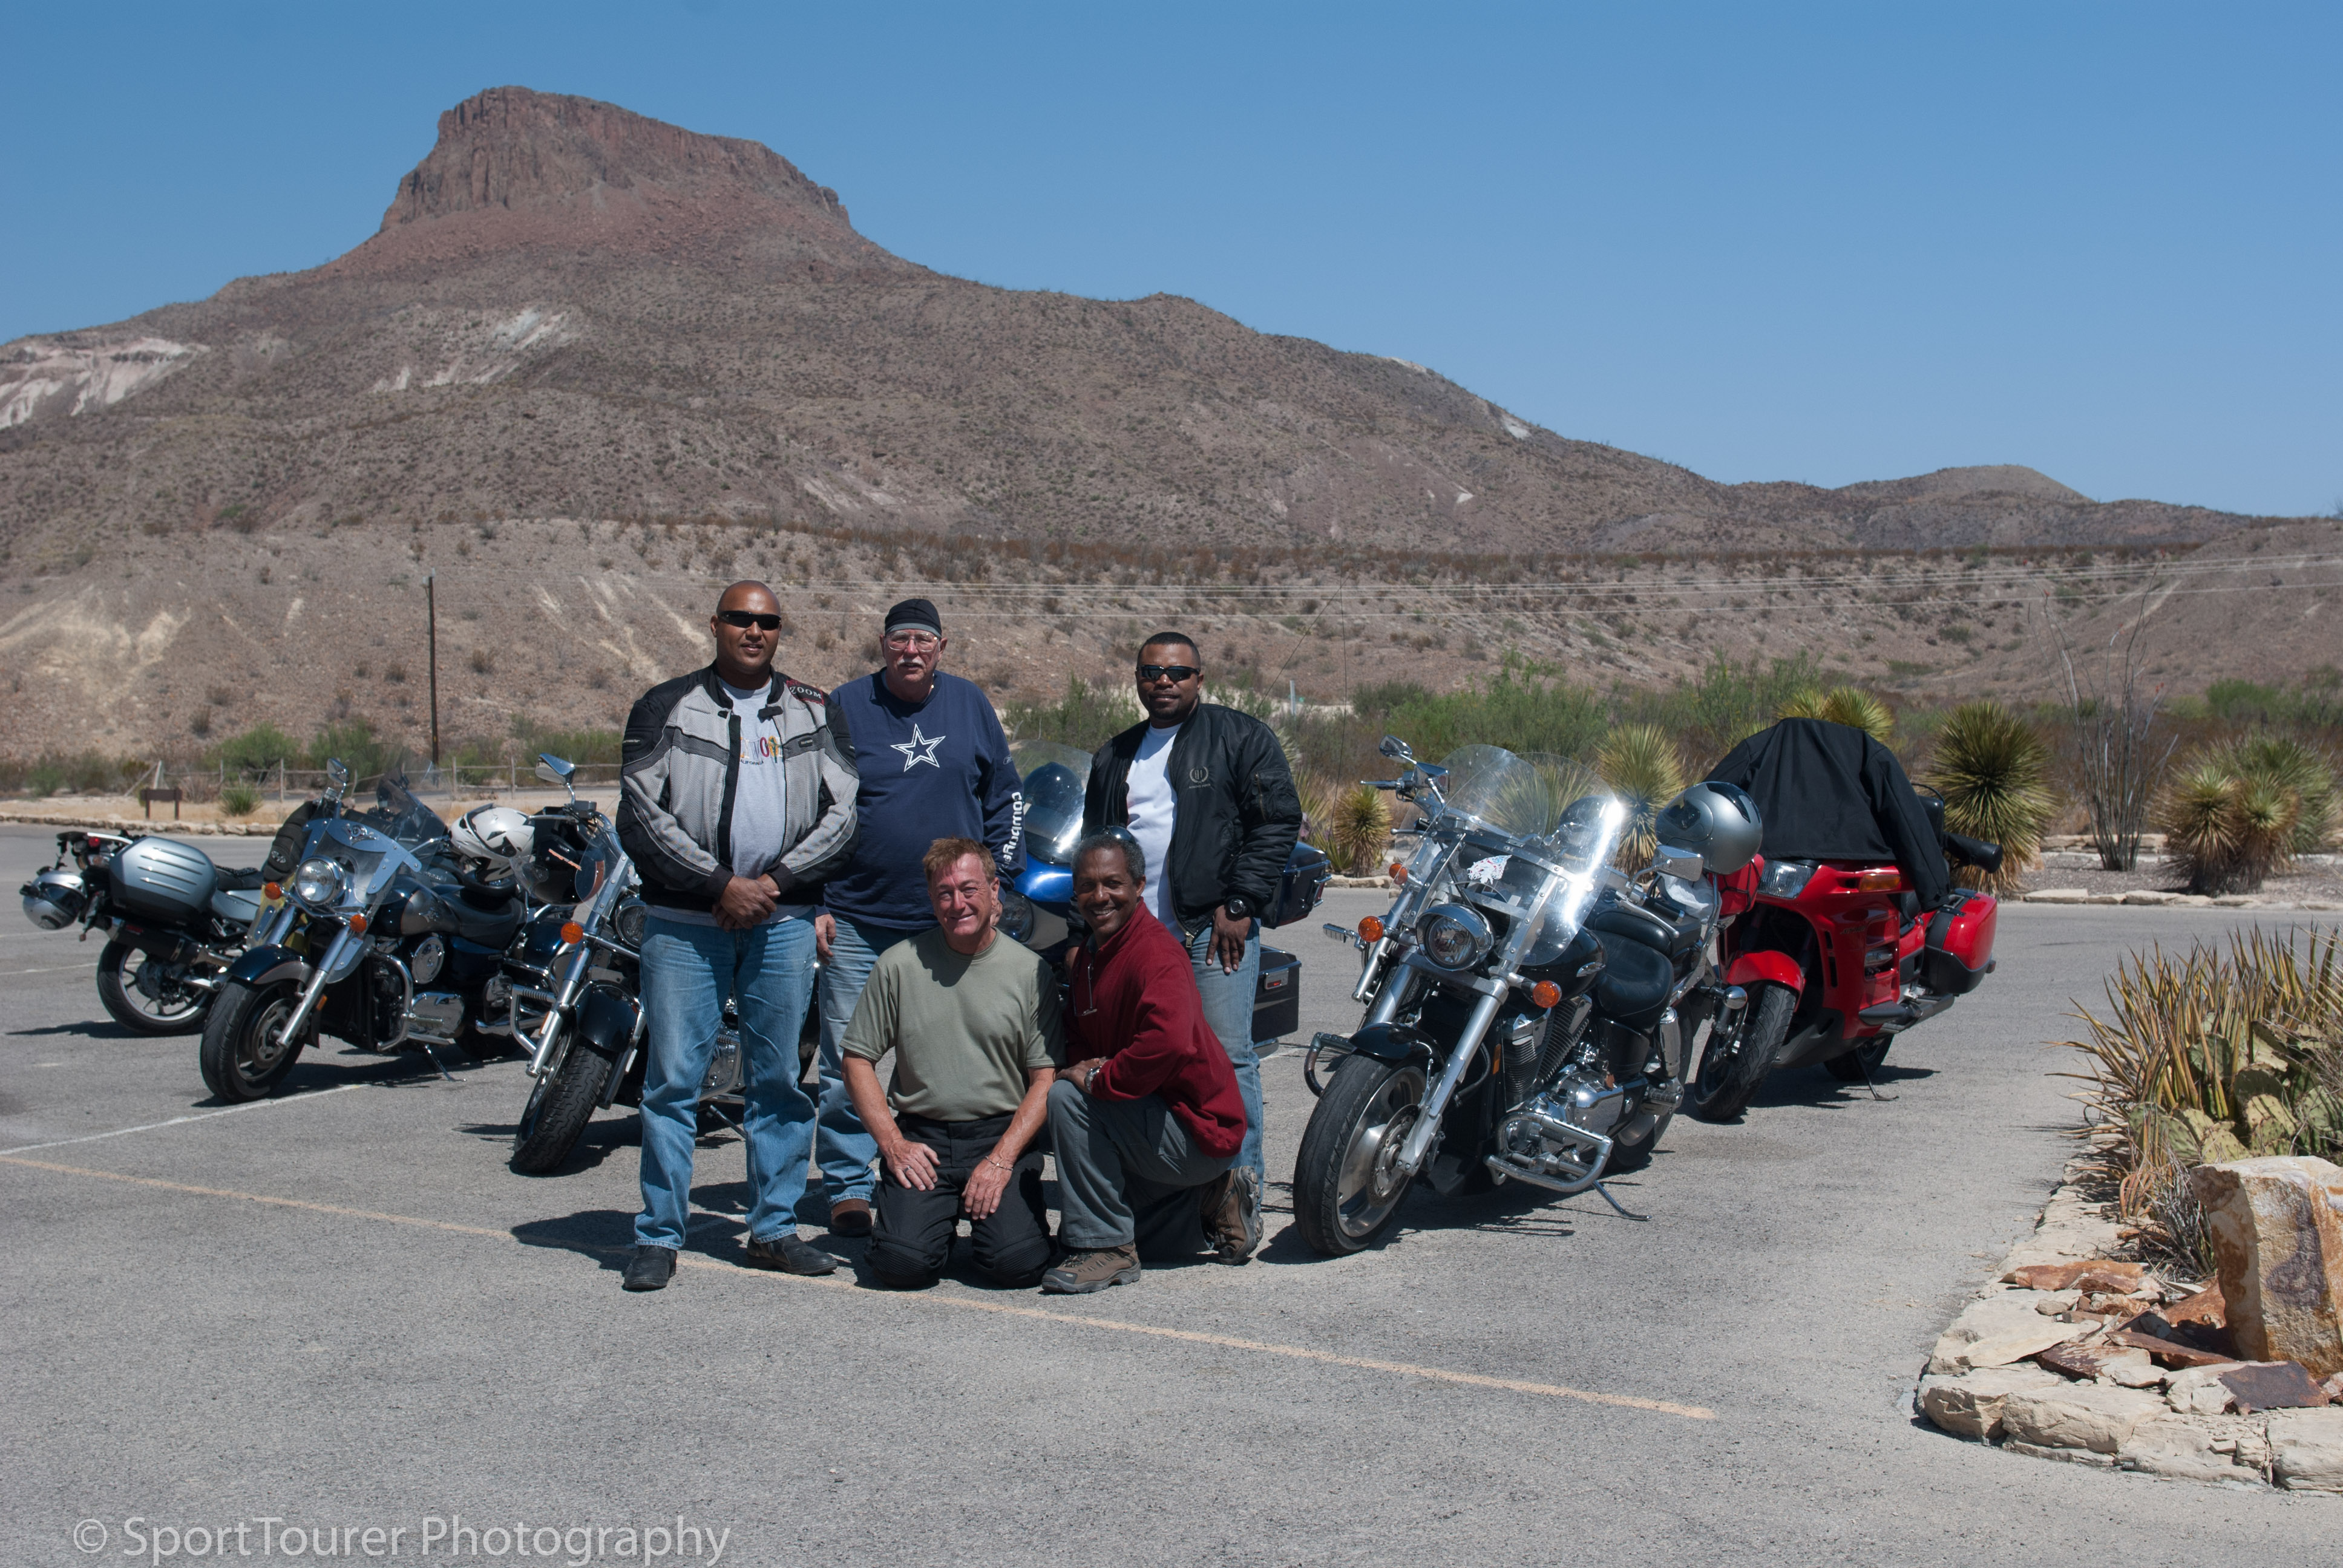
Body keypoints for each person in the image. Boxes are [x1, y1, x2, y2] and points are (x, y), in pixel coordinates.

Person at [614, 580, 858, 1292]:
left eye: (768, 622)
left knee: (778, 1081)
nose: (755, 631)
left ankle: (773, 1230)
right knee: (672, 1083)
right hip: (685, 926)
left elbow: (845, 813)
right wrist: (719, 886)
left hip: (781, 925)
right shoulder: (665, 706)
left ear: (779, 631)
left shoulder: (814, 708)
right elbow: (640, 815)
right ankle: (658, 1235)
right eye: (741, 619)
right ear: (715, 624)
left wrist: (770, 886)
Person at [1080, 632, 1299, 1257]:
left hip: (1211, 928)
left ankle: (1238, 1197)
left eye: (1177, 672)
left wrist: (1240, 903)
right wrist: (1085, 933)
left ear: (1200, 679)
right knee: (1144, 1055)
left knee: (1227, 1057)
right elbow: (1095, 844)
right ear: (1137, 679)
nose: (1164, 681)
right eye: (1152, 671)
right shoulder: (1116, 754)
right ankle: (1163, 1193)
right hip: (1135, 938)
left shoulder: (1240, 737)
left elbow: (1277, 822)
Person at [811, 598, 1023, 1239]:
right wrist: (815, 899)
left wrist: (1001, 881)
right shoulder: (846, 704)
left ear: (941, 647)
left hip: (951, 922)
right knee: (846, 1059)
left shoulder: (969, 704)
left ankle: (954, 1176)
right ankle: (848, 1186)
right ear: (882, 645)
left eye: (923, 641)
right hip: (857, 915)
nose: (911, 651)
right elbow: (810, 803)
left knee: (953, 1057)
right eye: (900, 640)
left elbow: (1005, 797)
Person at [838, 838, 1063, 1289]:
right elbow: (857, 1060)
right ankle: (923, 1229)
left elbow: (1045, 1078)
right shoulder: (898, 965)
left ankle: (992, 1228)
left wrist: (1002, 1160)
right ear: (931, 899)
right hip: (924, 1139)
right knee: (901, 1266)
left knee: (1017, 1264)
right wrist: (893, 1144)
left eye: (968, 889)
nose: (957, 903)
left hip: (999, 1135)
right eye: (944, 893)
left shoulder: (1030, 972)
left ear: (994, 890)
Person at [1043, 832, 1250, 1293]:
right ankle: (1211, 1200)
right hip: (1147, 1116)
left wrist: (1097, 1079)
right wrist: (1081, 1068)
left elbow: (1167, 1043)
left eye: (1113, 883)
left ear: (1139, 886)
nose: (1100, 897)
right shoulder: (1092, 955)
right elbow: (1077, 1033)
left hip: (1196, 1130)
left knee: (1067, 1100)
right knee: (1138, 1236)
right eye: (1087, 886)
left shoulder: (1156, 953)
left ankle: (1108, 1249)